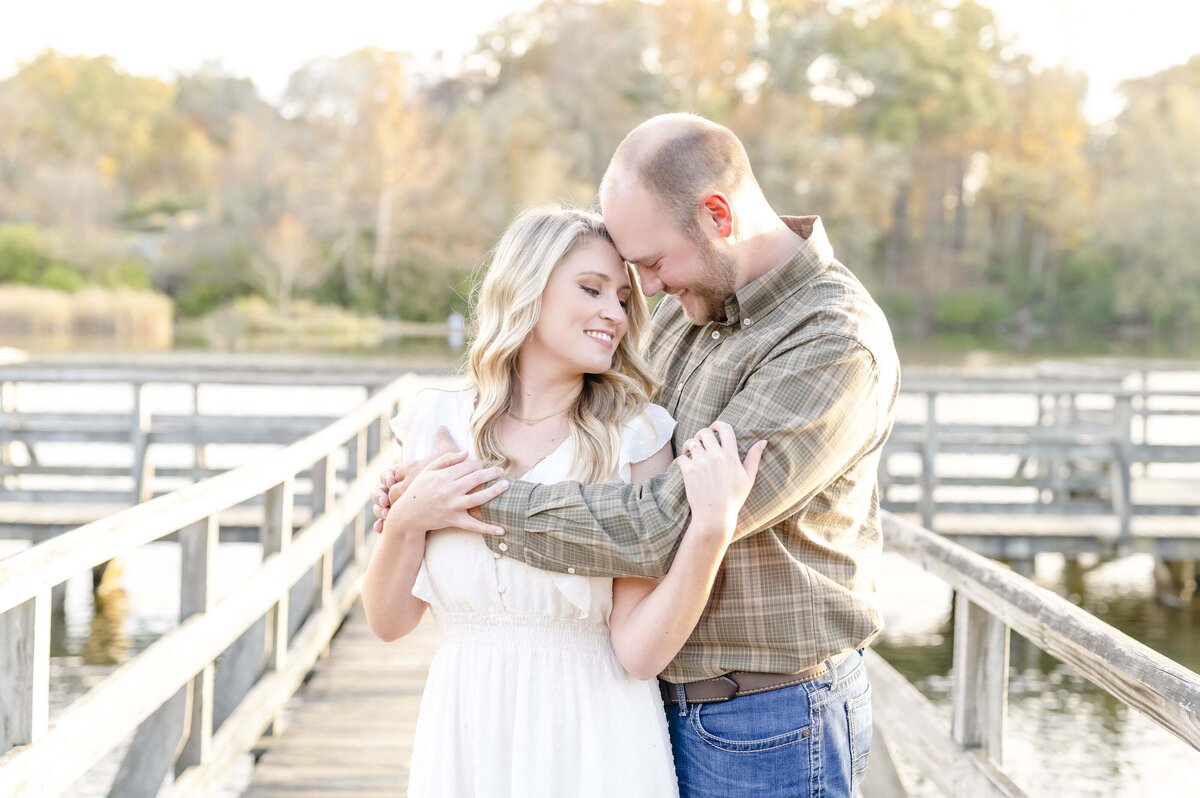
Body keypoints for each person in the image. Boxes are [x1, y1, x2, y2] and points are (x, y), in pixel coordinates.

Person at [377, 113, 901, 797]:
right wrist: (414, 504)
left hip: (764, 716)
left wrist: (458, 495)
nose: (643, 295)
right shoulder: (696, 314)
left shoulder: (831, 340)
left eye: (648, 266)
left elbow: (664, 523)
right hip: (651, 707)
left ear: (718, 215)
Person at [361, 205, 765, 797]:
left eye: (624, 298)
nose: (615, 314)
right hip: (466, 732)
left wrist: (710, 530)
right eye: (591, 289)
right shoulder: (435, 420)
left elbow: (638, 652)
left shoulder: (636, 435)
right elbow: (389, 622)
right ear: (527, 287)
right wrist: (408, 519)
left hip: (593, 736)